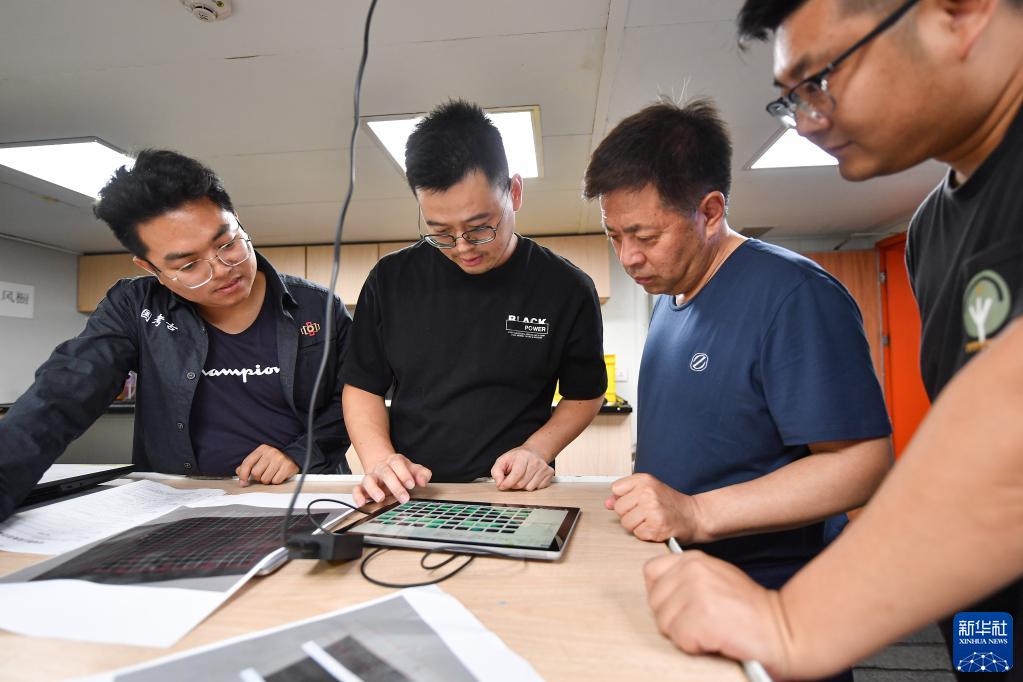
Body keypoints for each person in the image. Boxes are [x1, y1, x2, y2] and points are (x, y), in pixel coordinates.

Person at [640, 1, 1023, 679]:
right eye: (792, 98)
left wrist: (793, 622)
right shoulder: (933, 228)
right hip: (986, 612)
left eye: (819, 79)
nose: (810, 120)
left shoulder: (790, 291)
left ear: (960, 14)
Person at [583, 98, 892, 605]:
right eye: (614, 236)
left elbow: (862, 464)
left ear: (710, 212)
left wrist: (696, 513)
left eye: (645, 236)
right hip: (690, 580)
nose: (628, 257)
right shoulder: (668, 301)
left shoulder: (794, 295)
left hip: (776, 595)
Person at [0, 150, 352, 520]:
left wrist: (298, 454)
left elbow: (352, 402)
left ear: (237, 220)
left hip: (301, 497)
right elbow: (63, 394)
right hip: (176, 506)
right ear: (150, 267)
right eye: (188, 264)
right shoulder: (135, 307)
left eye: (227, 244)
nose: (222, 270)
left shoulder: (318, 307)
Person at [342, 100, 607, 507]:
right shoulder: (390, 280)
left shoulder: (566, 289)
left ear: (514, 192)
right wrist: (379, 461)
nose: (462, 247)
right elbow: (362, 387)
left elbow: (585, 395)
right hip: (413, 494)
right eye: (440, 232)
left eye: (479, 228)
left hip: (513, 493)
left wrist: (537, 450)